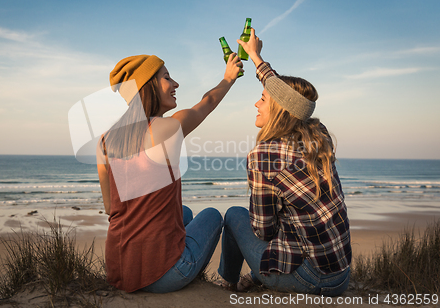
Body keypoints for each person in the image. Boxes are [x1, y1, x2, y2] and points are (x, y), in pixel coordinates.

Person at [217, 29, 352, 296]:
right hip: (340, 277)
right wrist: (256, 58)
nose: (257, 103)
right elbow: (296, 102)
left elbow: (263, 230)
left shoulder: (264, 155)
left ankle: (228, 286)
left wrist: (257, 58)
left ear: (279, 109)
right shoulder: (319, 134)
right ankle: (250, 278)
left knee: (233, 215)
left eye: (264, 99)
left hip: (309, 280)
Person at [97, 53, 243, 293]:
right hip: (165, 276)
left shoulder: (104, 140)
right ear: (148, 87)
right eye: (167, 77)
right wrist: (229, 78)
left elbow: (110, 208)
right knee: (212, 215)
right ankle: (226, 280)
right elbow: (207, 103)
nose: (175, 84)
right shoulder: (169, 128)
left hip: (120, 274)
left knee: (183, 212)